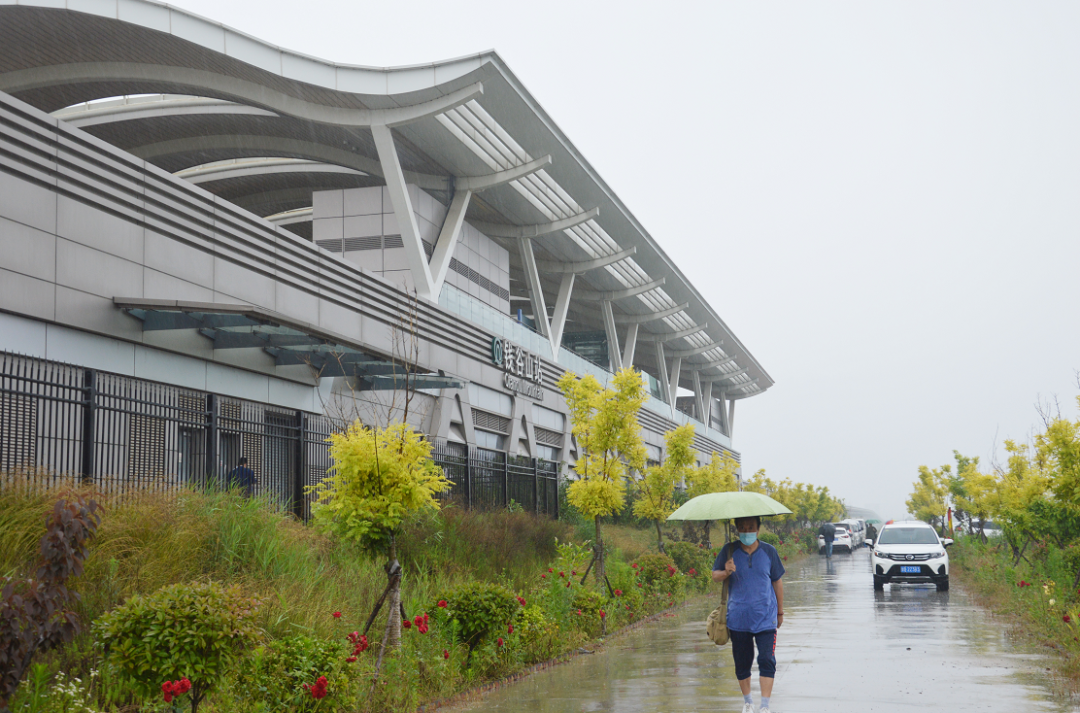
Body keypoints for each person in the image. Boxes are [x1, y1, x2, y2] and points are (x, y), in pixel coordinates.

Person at [712, 516, 785, 713]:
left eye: (750, 527)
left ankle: (764, 706)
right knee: (742, 662)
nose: (746, 531)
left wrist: (779, 612)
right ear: (737, 530)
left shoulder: (769, 551)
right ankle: (748, 703)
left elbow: (777, 582)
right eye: (742, 528)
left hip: (766, 618)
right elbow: (714, 575)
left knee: (767, 660)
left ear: (758, 529)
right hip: (738, 619)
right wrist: (726, 571)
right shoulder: (729, 551)